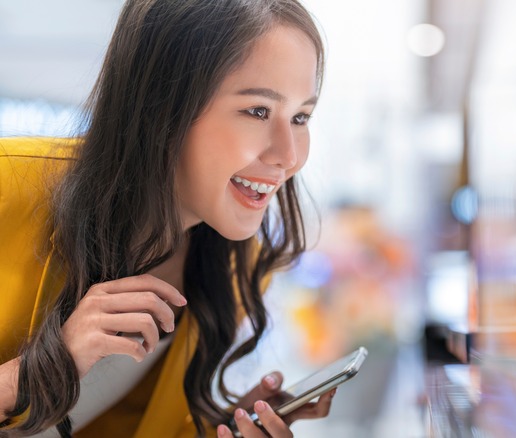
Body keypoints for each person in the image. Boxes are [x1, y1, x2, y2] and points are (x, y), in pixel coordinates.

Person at [0, 0, 332, 436]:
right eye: (257, 111)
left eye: (301, 117)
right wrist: (40, 372)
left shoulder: (235, 265)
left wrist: (218, 425)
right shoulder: (9, 187)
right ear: (163, 106)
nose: (289, 157)